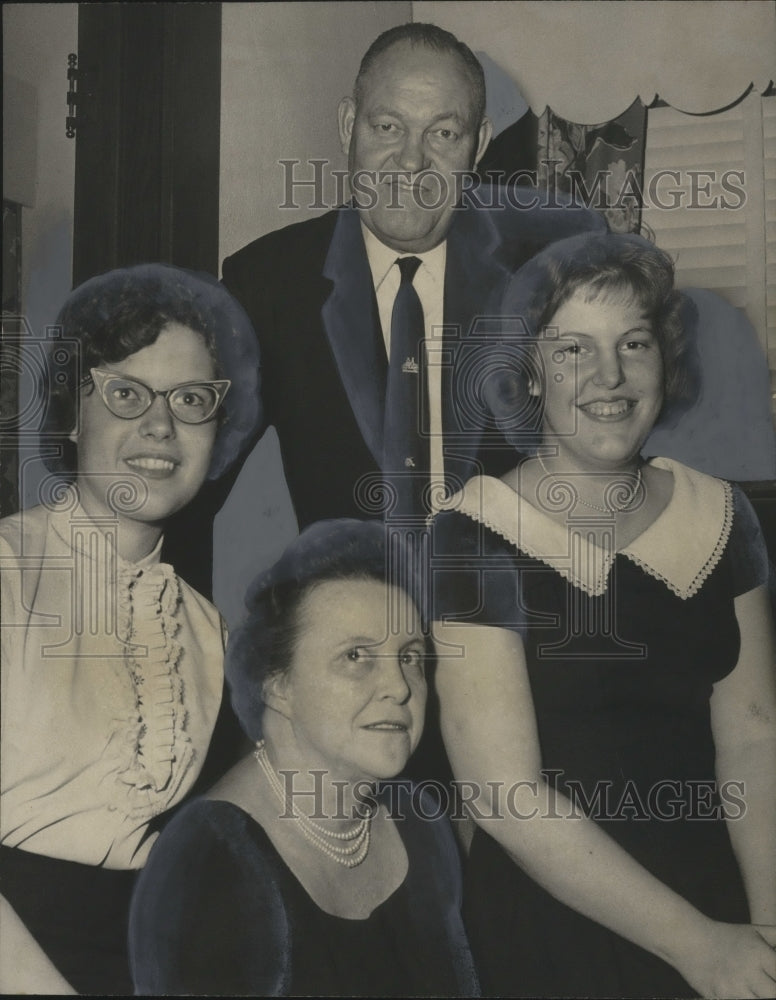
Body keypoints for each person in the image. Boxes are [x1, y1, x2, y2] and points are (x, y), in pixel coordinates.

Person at [430, 232, 776, 998]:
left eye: (634, 343)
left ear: (666, 359)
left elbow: (754, 737)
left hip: (717, 899)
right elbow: (503, 795)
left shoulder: (724, 516)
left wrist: (764, 928)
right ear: (528, 373)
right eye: (573, 350)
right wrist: (701, 949)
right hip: (555, 920)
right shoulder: (473, 531)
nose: (610, 377)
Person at [164, 22, 606, 591]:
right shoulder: (269, 283)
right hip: (354, 640)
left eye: (444, 133)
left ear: (480, 142)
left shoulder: (547, 273)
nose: (411, 162)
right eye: (387, 126)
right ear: (350, 125)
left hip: (525, 632)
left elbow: (609, 457)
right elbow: (187, 486)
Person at [0, 263, 260, 995]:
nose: (160, 426)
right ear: (72, 413)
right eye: (125, 393)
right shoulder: (8, 571)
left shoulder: (207, 629)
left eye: (191, 400)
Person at [129, 519, 479, 997]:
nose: (399, 687)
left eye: (410, 656)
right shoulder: (210, 864)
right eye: (356, 657)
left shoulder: (418, 821)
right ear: (278, 685)